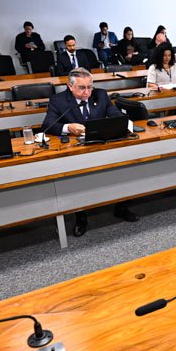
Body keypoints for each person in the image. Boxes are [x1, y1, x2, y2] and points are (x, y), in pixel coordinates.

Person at [41, 67, 137, 233]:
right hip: (77, 151)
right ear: (70, 86)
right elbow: (48, 124)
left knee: (123, 169)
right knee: (77, 181)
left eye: (89, 87)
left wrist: (124, 124)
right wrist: (68, 127)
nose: (87, 92)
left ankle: (121, 206)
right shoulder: (58, 100)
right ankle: (81, 215)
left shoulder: (100, 95)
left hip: (102, 146)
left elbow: (115, 114)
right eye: (82, 88)